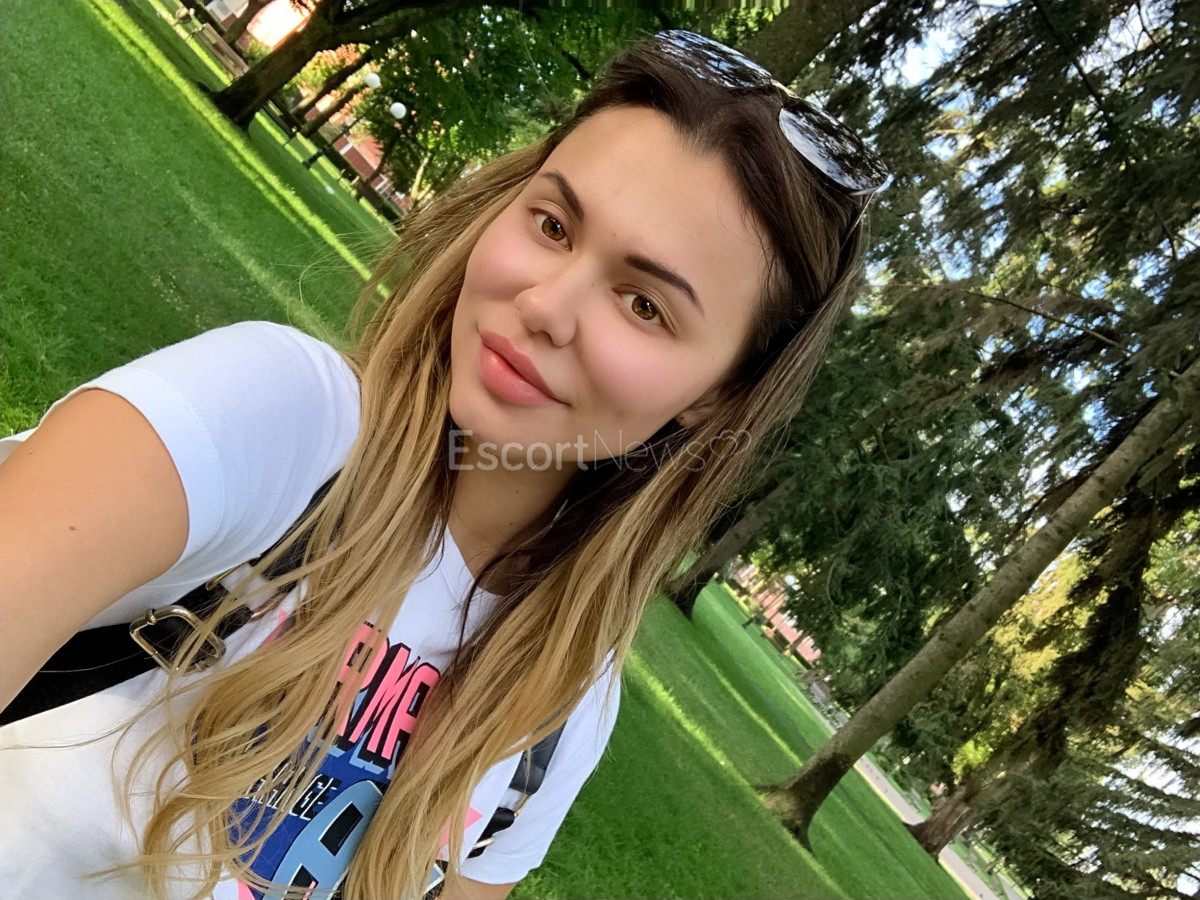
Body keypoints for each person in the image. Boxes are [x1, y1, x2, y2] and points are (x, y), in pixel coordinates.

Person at [0, 30, 888, 900]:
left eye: (644, 304)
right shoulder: (274, 419)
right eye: (553, 224)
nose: (546, 306)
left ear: (719, 395)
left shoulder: (565, 705)